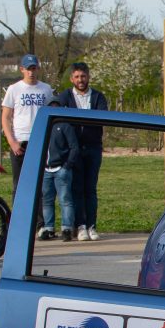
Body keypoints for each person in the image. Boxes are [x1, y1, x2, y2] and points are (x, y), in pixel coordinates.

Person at [55, 62, 108, 241]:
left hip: (93, 148)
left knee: (90, 189)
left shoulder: (98, 97)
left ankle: (92, 225)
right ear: (72, 78)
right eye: (77, 77)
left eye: (83, 76)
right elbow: (57, 117)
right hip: (74, 149)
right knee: (76, 188)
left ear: (88, 77)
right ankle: (81, 225)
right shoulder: (64, 97)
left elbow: (102, 118)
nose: (80, 80)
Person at [1, 53, 53, 198]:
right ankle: (17, 219)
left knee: (40, 184)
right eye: (28, 69)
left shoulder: (46, 89)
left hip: (40, 140)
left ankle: (39, 220)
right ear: (22, 69)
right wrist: (12, 142)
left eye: (34, 69)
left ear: (38, 69)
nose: (31, 72)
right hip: (20, 141)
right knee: (19, 184)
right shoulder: (14, 89)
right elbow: (5, 117)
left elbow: (52, 113)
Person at [37, 99, 79, 242]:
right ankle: (49, 228)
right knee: (47, 200)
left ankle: (67, 228)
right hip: (46, 170)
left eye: (56, 107)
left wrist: (67, 165)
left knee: (65, 200)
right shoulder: (43, 127)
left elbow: (74, 147)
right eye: (51, 107)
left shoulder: (65, 126)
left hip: (61, 169)